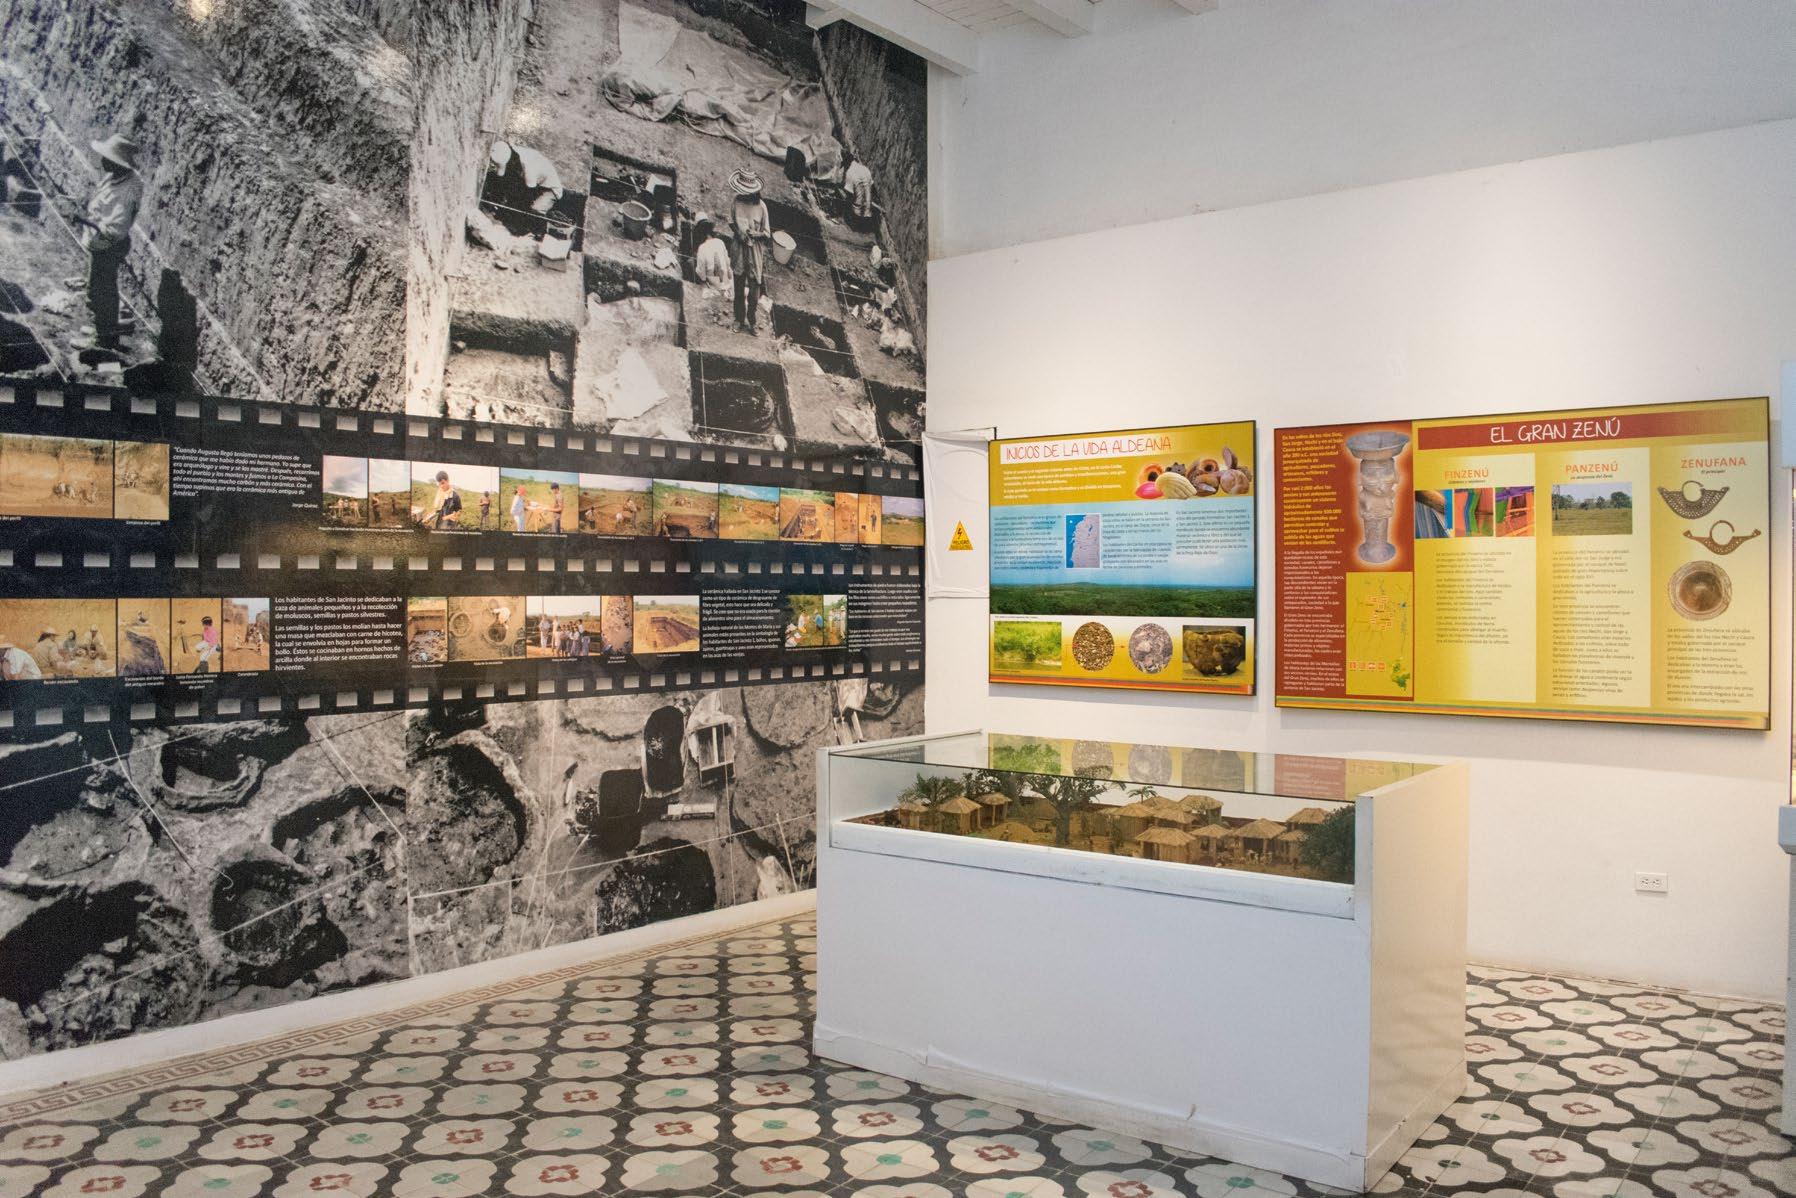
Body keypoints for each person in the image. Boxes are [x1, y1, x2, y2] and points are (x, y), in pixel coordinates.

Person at [72, 133, 143, 356]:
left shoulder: (127, 191)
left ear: (118, 163)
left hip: (109, 246)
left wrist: (84, 221)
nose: (102, 161)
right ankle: (102, 328)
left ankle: (102, 340)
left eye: (107, 158)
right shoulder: (115, 177)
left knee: (100, 293)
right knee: (102, 289)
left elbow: (115, 230)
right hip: (101, 244)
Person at [486, 139, 565, 239]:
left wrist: (514, 211)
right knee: (512, 192)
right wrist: (497, 199)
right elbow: (501, 178)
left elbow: (528, 194)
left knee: (535, 209)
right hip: (535, 183)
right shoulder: (510, 152)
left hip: (550, 188)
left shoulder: (529, 168)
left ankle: (539, 234)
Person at [727, 169, 772, 335]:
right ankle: (739, 319)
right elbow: (731, 222)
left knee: (754, 291)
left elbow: (767, 234)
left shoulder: (761, 207)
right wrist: (739, 233)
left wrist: (756, 234)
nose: (744, 195)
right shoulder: (736, 201)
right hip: (739, 249)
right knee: (739, 287)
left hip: (755, 252)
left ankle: (752, 321)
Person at [692, 215, 731, 291]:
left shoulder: (702, 248)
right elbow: (727, 262)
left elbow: (701, 273)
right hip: (725, 280)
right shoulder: (720, 242)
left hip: (713, 284)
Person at [842, 152, 874, 225]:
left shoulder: (850, 172)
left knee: (845, 200)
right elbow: (871, 186)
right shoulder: (865, 169)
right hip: (869, 210)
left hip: (857, 212)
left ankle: (852, 222)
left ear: (846, 163)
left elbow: (849, 197)